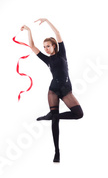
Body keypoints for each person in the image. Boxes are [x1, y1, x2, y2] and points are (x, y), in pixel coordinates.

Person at [21, 18, 84, 163]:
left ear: (54, 46)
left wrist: (47, 21)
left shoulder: (62, 54)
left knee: (78, 114)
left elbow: (58, 33)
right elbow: (31, 46)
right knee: (55, 122)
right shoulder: (47, 59)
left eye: (48, 46)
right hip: (53, 91)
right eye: (44, 47)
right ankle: (57, 151)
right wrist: (29, 31)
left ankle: (52, 116)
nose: (46, 49)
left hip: (66, 90)